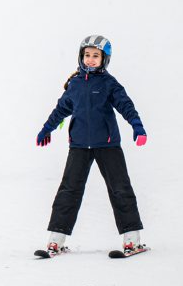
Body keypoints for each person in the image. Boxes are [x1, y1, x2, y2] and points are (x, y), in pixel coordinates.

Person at [34, 35, 148, 258]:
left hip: (107, 145)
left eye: (96, 56)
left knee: (120, 189)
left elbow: (126, 105)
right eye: (87, 55)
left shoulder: (109, 84)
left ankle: (132, 239)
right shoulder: (75, 84)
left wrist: (137, 126)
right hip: (78, 146)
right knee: (68, 190)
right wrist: (47, 128)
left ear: (104, 59)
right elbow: (61, 109)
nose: (90, 60)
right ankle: (56, 240)